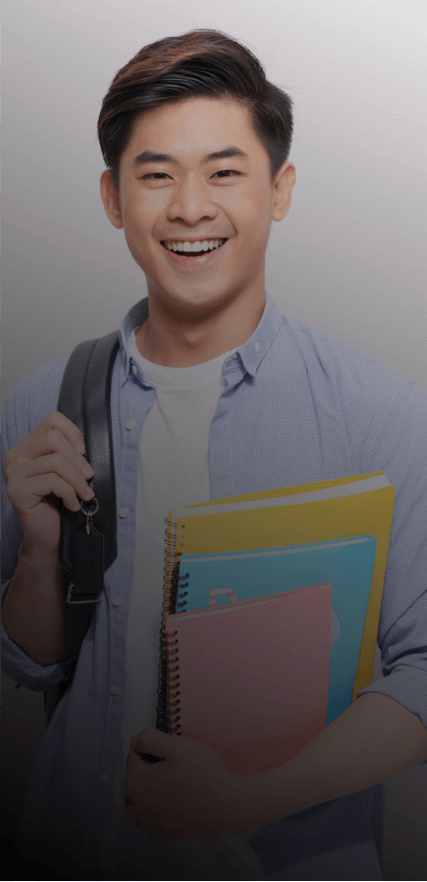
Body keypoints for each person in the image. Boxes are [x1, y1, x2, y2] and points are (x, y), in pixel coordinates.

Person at [2, 27, 427, 882]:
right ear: (113, 198)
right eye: (156, 174)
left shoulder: (379, 413)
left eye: (224, 172)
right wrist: (41, 557)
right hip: (72, 852)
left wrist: (251, 798)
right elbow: (30, 661)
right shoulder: (42, 401)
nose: (189, 207)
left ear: (280, 189)